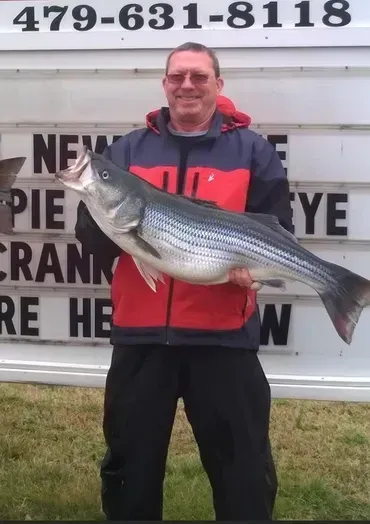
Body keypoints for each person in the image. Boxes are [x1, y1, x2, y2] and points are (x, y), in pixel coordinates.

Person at [74, 42, 293, 521]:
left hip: (223, 340)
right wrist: (94, 208)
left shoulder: (253, 151)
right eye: (177, 77)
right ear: (165, 84)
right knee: (130, 469)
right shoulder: (128, 149)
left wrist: (252, 271)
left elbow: (277, 228)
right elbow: (95, 242)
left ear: (218, 84)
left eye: (198, 76)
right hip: (141, 337)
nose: (186, 85)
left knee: (244, 473)